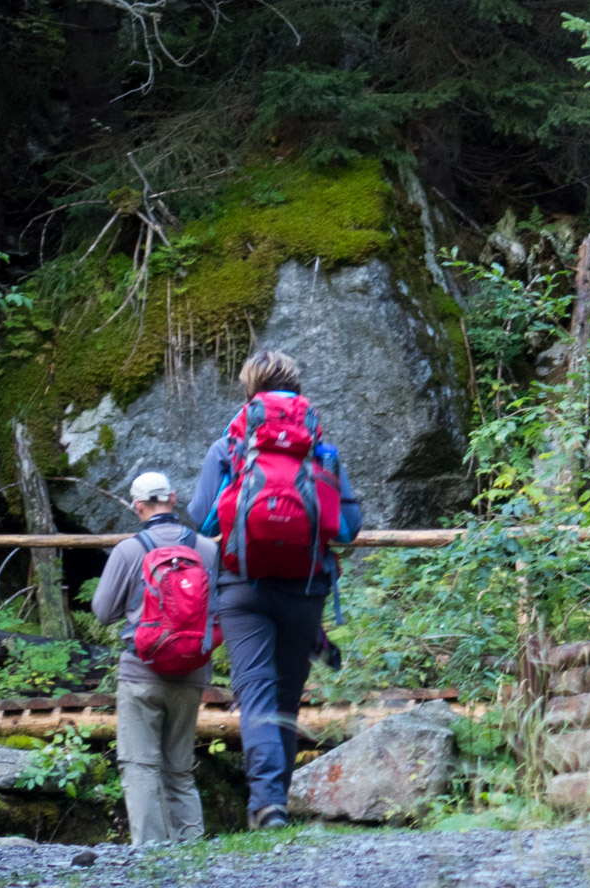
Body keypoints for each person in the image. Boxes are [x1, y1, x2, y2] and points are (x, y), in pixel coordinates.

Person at [190, 350, 362, 830]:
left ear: (249, 390)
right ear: (297, 386)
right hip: (305, 589)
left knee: (256, 695)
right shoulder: (319, 447)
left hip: (243, 586)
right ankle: (274, 804)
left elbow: (200, 518)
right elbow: (348, 526)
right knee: (286, 698)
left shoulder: (230, 444)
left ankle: (268, 807)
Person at [91, 471, 219, 846]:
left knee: (140, 766)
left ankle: (151, 855)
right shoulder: (207, 549)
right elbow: (217, 610)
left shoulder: (130, 550)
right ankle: (192, 850)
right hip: (192, 673)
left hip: (141, 672)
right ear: (173, 499)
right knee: (179, 770)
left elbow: (102, 611)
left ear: (138, 506)